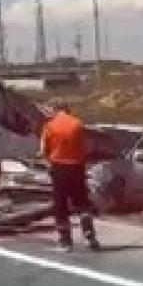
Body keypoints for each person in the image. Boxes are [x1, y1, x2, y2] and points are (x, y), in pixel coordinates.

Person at [41, 103, 100, 252]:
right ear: (68, 110)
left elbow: (43, 149)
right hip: (77, 167)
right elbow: (87, 147)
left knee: (61, 205)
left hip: (59, 167)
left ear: (56, 110)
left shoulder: (50, 125)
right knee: (82, 204)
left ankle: (65, 241)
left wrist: (48, 159)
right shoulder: (78, 124)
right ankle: (89, 237)